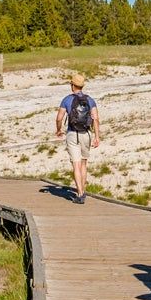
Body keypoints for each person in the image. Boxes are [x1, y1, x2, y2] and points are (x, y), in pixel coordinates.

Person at [54, 72, 101, 203]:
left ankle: (80, 194)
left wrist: (59, 130)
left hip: (72, 133)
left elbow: (59, 118)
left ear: (72, 85)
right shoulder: (90, 100)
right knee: (84, 164)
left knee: (76, 164)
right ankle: (83, 190)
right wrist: (97, 137)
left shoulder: (67, 100)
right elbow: (95, 119)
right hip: (86, 134)